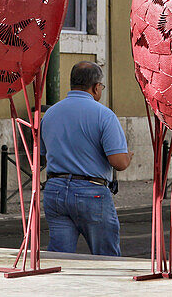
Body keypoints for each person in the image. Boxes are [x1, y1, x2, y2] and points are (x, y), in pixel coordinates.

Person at [41, 61, 132, 256]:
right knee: (106, 256)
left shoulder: (50, 114)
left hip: (55, 190)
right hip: (91, 191)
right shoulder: (104, 115)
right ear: (96, 87)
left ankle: (57, 287)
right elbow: (119, 162)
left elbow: (41, 155)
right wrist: (128, 156)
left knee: (60, 256)